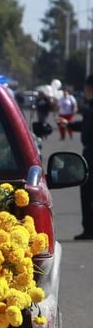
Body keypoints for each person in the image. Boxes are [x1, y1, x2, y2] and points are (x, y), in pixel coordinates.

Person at [69, 75, 93, 240]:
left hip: (91, 154)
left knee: (87, 191)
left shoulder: (90, 108)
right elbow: (85, 125)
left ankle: (89, 229)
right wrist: (69, 125)